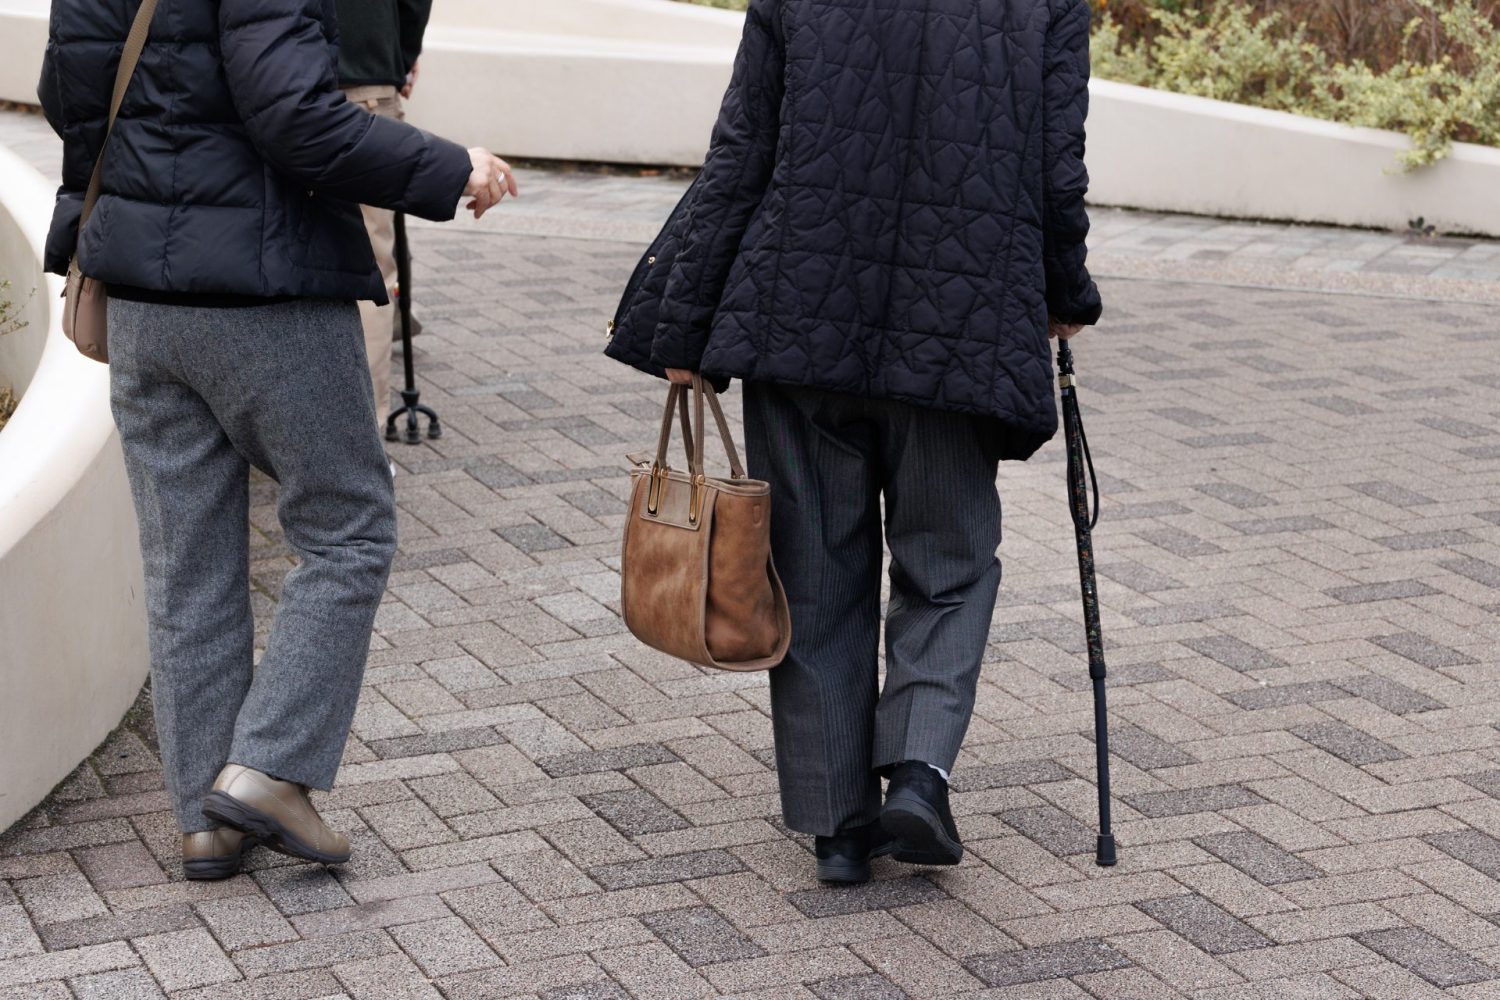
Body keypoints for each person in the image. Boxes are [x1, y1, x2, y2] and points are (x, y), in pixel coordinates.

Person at [607, 0, 1102, 884]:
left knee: (811, 568)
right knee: (949, 566)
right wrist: (1066, 293)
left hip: (799, 315)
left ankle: (837, 825)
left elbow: (741, 152)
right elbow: (1056, 171)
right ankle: (917, 773)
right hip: (959, 327)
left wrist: (685, 325)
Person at [39, 0, 517, 879]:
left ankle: (205, 820)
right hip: (265, 294)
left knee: (185, 564)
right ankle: (268, 770)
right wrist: (455, 168)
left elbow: (69, 97)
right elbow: (298, 119)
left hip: (139, 298)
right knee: (349, 527)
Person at [336, 0, 435, 426]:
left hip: (269, 77)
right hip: (365, 70)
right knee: (368, 266)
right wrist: (401, 52)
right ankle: (365, 432)